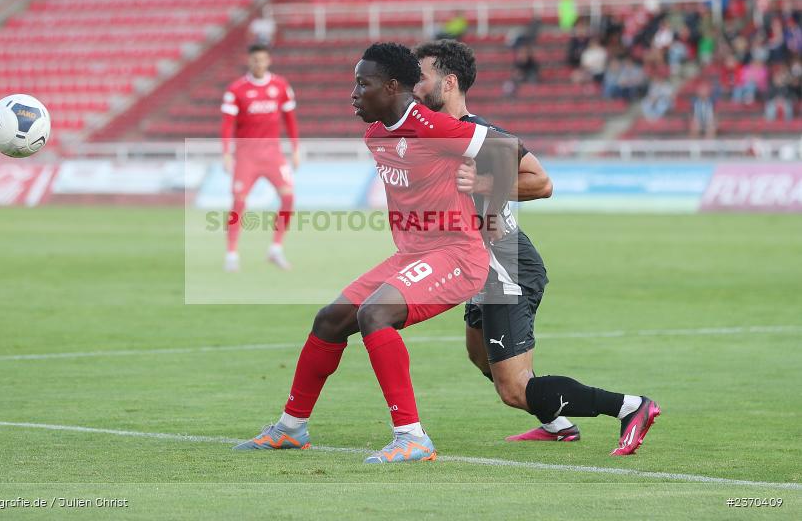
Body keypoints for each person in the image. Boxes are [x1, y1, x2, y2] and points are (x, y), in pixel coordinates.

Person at [234, 42, 520, 463]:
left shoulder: (430, 125)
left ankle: (412, 437)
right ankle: (291, 428)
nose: (353, 93)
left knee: (375, 314)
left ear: (391, 87)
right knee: (330, 320)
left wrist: (487, 203)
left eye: (361, 84)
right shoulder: (375, 133)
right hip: (412, 255)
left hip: (457, 255)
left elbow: (506, 149)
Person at [412, 39, 660, 454]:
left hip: (506, 265)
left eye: (422, 77)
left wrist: (486, 183)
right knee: (479, 354)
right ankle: (557, 423)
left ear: (449, 82)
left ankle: (631, 407)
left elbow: (542, 183)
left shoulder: (484, 135)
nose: (415, 86)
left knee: (513, 388)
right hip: (481, 268)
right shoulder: (442, 135)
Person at [221, 44, 299, 272]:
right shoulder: (236, 90)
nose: (259, 63)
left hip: (273, 154)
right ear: (250, 61)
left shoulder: (281, 86)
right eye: (255, 60)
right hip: (246, 156)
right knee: (238, 201)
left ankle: (275, 249)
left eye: (263, 59)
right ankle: (232, 254)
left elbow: (290, 120)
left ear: (268, 60)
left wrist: (295, 149)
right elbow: (227, 125)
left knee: (288, 197)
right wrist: (226, 153)